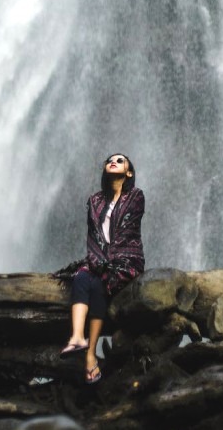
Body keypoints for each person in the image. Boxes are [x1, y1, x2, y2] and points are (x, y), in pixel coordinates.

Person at [58, 153, 145, 384]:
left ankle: (90, 354)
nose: (113, 162)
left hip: (125, 261)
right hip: (99, 260)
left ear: (129, 172)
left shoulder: (135, 196)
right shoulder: (95, 200)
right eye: (110, 160)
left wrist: (107, 261)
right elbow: (94, 237)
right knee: (81, 277)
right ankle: (78, 337)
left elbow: (127, 231)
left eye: (120, 160)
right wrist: (97, 260)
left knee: (97, 283)